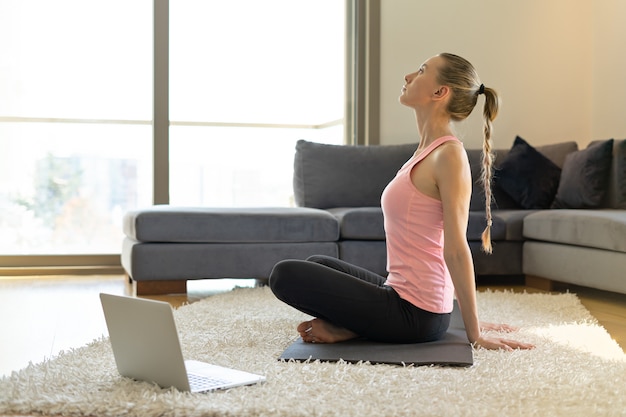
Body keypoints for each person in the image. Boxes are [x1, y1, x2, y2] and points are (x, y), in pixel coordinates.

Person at [269, 53, 535, 351]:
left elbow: (456, 248)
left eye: (421, 71)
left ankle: (352, 327)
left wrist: (474, 333)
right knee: (316, 264)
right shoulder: (426, 151)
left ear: (439, 92)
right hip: (399, 293)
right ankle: (352, 325)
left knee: (284, 274)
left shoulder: (448, 155)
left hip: (415, 314)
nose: (408, 76)